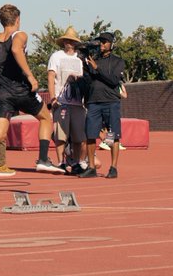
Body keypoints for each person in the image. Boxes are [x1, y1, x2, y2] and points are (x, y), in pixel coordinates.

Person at [0, 4, 63, 186]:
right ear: (17, 19)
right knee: (45, 118)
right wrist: (30, 75)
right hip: (21, 91)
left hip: (2, 94)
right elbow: (16, 49)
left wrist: (0, 58)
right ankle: (43, 159)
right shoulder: (20, 35)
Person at [79, 32, 125, 179]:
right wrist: (85, 63)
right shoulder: (94, 59)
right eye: (100, 42)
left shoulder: (118, 61)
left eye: (105, 42)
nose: (102, 44)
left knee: (112, 136)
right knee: (91, 135)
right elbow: (88, 79)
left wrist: (97, 68)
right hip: (93, 102)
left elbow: (113, 80)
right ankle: (91, 167)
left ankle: (113, 168)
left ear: (111, 44)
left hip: (111, 102)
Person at [47, 27, 88, 173]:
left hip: (78, 102)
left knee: (78, 136)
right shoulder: (56, 56)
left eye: (71, 41)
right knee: (60, 135)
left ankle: (77, 162)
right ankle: (60, 162)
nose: (69, 43)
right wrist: (53, 98)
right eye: (67, 40)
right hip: (61, 100)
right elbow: (51, 77)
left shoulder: (81, 58)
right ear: (63, 42)